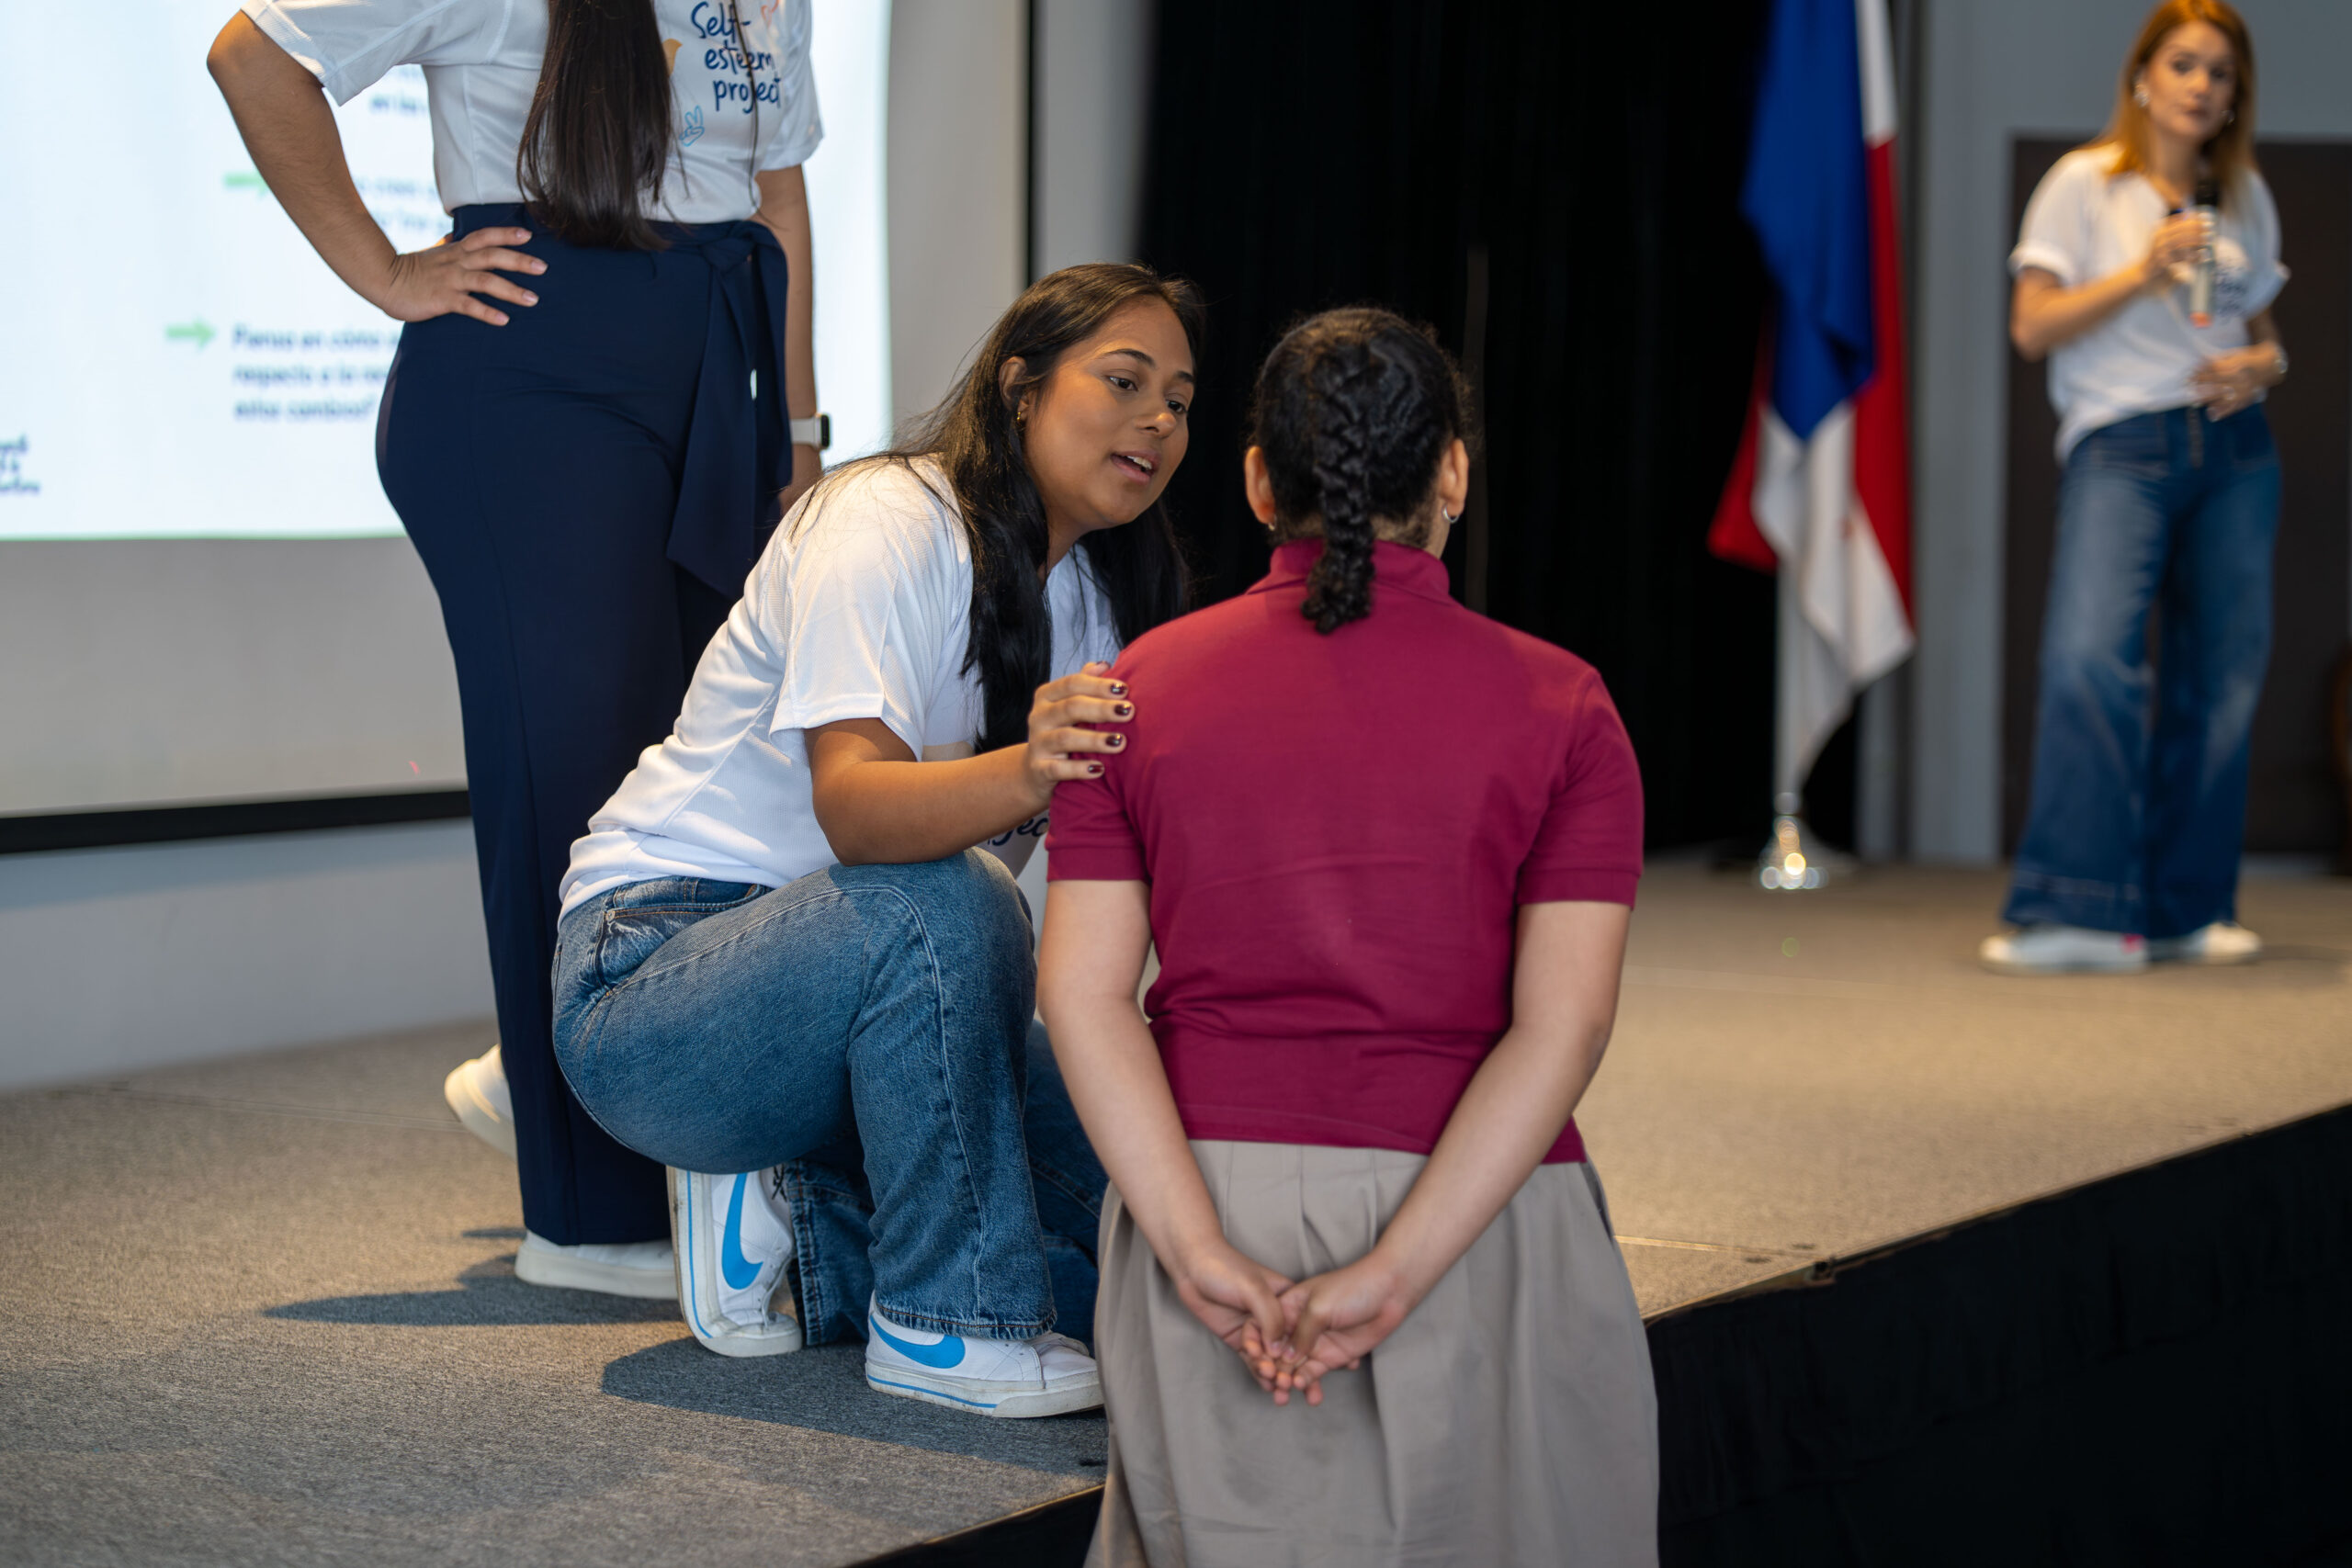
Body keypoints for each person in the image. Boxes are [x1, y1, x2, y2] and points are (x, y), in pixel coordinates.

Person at [209, 0, 829, 1293]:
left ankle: (539, 1062)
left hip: (714, 375)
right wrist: (387, 271)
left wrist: (801, 432)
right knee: (570, 782)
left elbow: (778, 196)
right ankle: (585, 1218)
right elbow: (253, 58)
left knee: (707, 777)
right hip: (530, 387)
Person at [1039, 309, 1658, 1564]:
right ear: (1453, 472)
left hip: (1207, 1196)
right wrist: (1396, 1270)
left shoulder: (1131, 691)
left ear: (1260, 478)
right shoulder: (1566, 703)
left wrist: (1195, 1243)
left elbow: (1083, 996)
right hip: (1480, 1208)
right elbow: (1565, 1024)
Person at [549, 264, 1203, 1412]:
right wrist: (1025, 765)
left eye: (1183, 400)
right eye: (1124, 379)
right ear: (1018, 388)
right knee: (950, 895)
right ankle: (941, 1330)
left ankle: (803, 1221)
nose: (1158, 419)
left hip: (855, 999)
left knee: (1140, 1232)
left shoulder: (1089, 605)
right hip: (652, 985)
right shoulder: (885, 518)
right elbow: (858, 813)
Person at [1982, 0, 2287, 976]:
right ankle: (2074, 906)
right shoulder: (2083, 185)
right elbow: (2032, 327)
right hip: (2121, 444)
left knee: (2221, 682)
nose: (2202, 86)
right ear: (2143, 78)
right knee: (2087, 661)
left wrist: (2264, 369)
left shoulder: (2242, 197)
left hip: (2235, 449)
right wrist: (2141, 270)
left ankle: (2184, 910)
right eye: (2184, 65)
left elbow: (2265, 339)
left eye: (2221, 73)